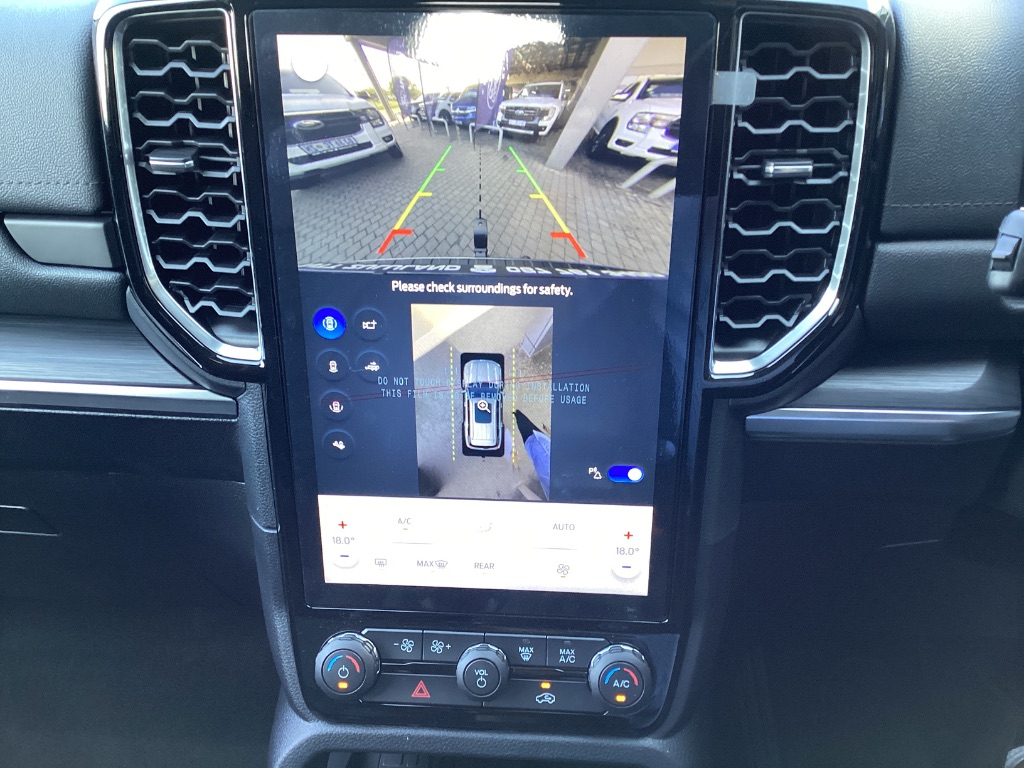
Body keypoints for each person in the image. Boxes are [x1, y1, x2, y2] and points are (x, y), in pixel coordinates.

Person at [514, 410, 550, 499]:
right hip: (544, 446)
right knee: (524, 423)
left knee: (523, 424)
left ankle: (516, 414)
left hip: (537, 453)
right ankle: (517, 414)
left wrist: (517, 470)